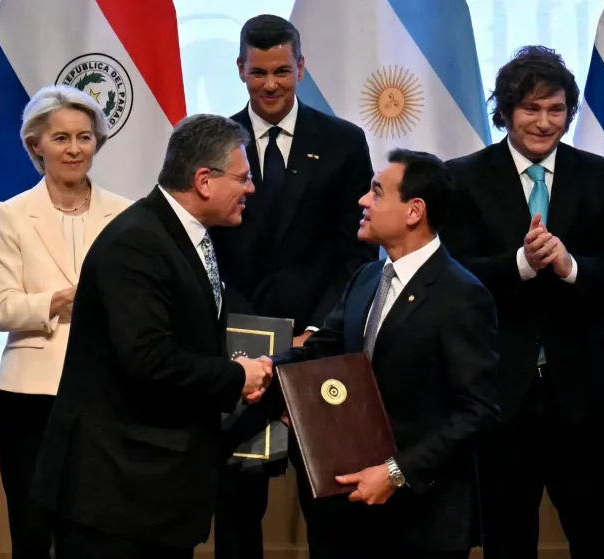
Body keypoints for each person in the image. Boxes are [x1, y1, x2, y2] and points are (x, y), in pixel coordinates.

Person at [31, 113, 272, 559]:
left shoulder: (178, 234)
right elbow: (148, 358)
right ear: (204, 180)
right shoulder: (137, 242)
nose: (251, 189)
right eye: (243, 178)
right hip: (119, 495)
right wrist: (236, 377)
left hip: (155, 492)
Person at [441, 46, 604, 559]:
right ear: (505, 111)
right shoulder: (461, 177)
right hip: (501, 396)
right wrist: (522, 265)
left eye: (556, 109)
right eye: (530, 108)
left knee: (601, 537)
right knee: (507, 540)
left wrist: (570, 266)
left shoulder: (602, 175)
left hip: (587, 396)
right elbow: (451, 279)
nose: (544, 122)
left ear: (570, 113)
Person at [262, 149, 499, 559]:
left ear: (414, 211)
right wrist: (263, 369)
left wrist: (396, 472)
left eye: (376, 192)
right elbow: (322, 349)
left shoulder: (461, 295)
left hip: (421, 518)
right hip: (348, 511)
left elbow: (477, 410)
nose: (362, 202)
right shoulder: (368, 276)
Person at [209, 14, 378, 558]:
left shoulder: (343, 142)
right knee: (237, 509)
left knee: (328, 508)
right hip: (240, 361)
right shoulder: (214, 145)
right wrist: (243, 339)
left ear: (301, 68)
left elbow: (358, 255)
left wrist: (315, 333)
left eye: (282, 70)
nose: (271, 84)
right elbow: (206, 252)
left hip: (319, 353)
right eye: (258, 73)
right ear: (240, 70)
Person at [0, 84, 132, 558]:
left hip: (103, 392)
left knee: (93, 530)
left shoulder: (126, 214)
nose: (74, 149)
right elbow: (3, 307)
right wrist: (61, 300)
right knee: (31, 529)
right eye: (62, 138)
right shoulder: (10, 214)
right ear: (36, 146)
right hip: (31, 395)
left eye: (85, 138)